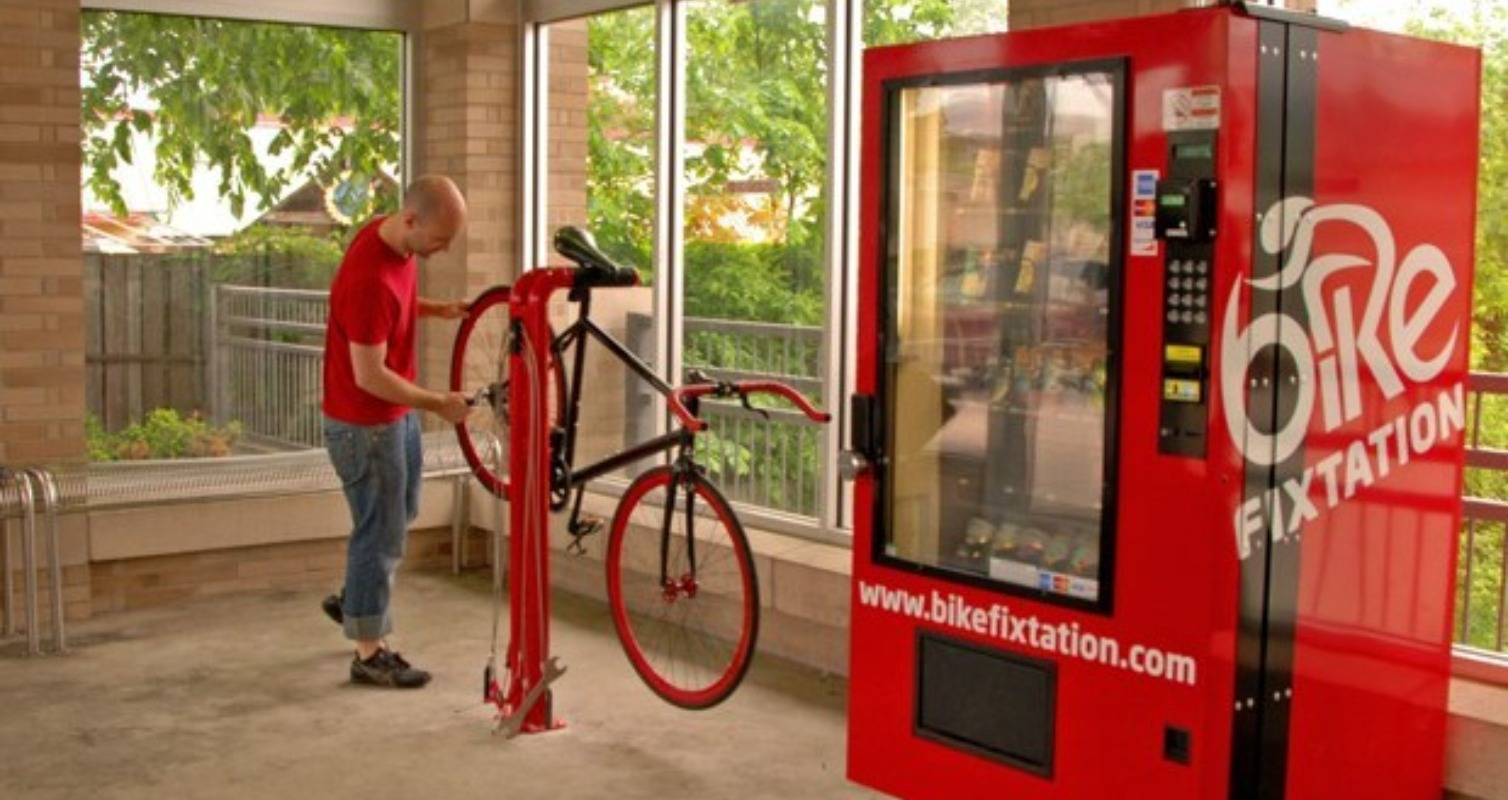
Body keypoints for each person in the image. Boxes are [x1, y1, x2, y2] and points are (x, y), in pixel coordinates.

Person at [319, 174, 471, 689]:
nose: (443, 250)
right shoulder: (369, 278)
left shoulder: (390, 242)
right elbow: (371, 375)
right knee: (380, 533)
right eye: (439, 240)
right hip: (364, 426)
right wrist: (439, 404)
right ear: (410, 220)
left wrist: (434, 309)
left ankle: (355, 600)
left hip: (391, 418)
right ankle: (369, 653)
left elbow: (393, 309)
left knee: (400, 512)